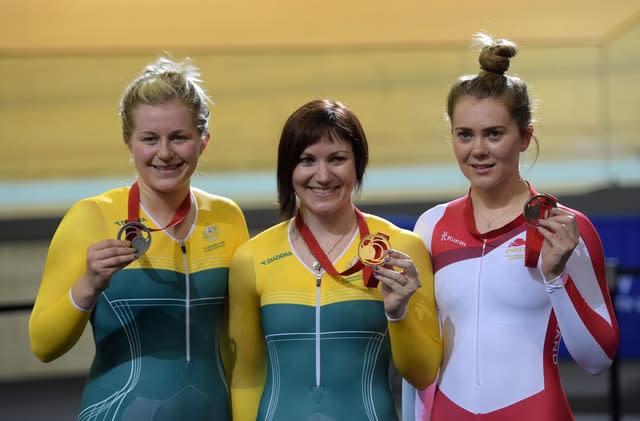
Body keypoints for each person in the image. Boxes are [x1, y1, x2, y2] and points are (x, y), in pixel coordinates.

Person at [402, 33, 620, 421]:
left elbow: (597, 359)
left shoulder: (565, 229)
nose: (478, 150)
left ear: (525, 138)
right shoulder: (431, 226)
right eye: (464, 134)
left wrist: (556, 278)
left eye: (494, 134)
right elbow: (418, 358)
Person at [29, 57, 249, 421]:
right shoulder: (91, 217)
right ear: (128, 142)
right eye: (150, 139)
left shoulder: (227, 218)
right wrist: (88, 285)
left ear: (203, 141)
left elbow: (239, 347)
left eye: (179, 137)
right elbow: (42, 345)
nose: (165, 153)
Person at [227, 98, 442, 421]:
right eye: (307, 160)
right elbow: (246, 379)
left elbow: (423, 373)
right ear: (289, 169)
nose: (323, 175)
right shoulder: (252, 258)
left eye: (337, 159)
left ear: (359, 164)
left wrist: (398, 314)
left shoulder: (400, 249)